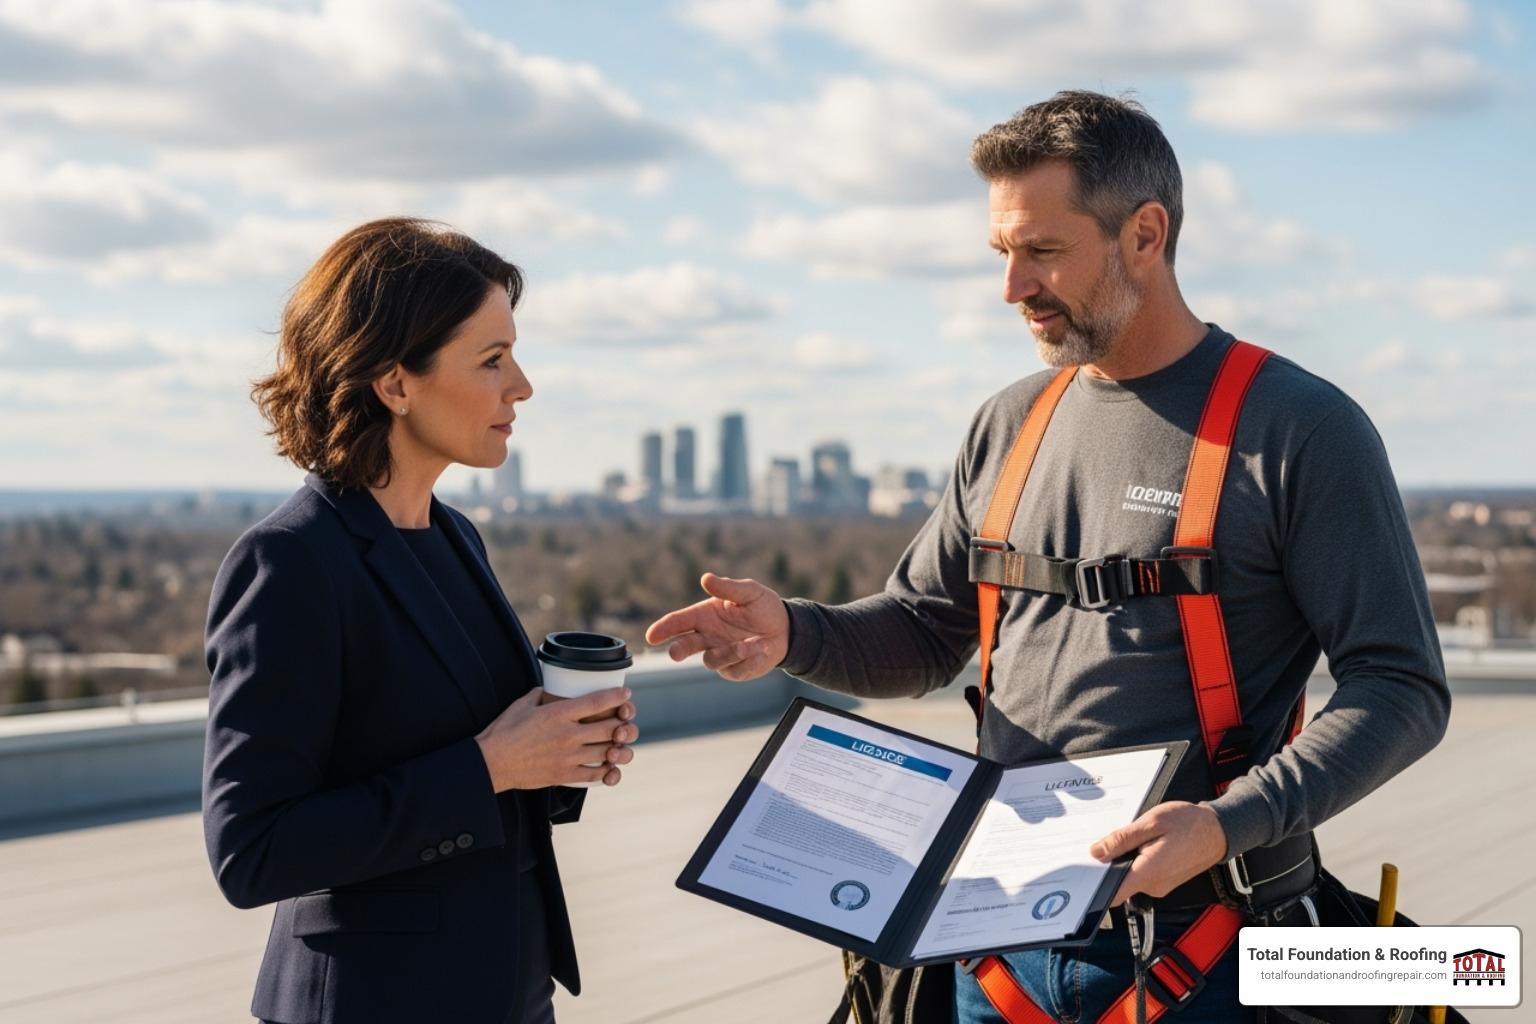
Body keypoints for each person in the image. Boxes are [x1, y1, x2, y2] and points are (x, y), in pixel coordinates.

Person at [646, 92, 1449, 1023]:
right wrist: (793, 633)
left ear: (1144, 235)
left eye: (1044, 251)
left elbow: (1401, 685)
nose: (1013, 286)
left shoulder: (1298, 430)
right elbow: (926, 631)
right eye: (1003, 252)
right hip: (991, 950)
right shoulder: (1010, 423)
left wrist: (1228, 823)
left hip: (1210, 952)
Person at [202, 218, 638, 1024]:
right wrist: (489, 767)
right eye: (492, 359)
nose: (522, 386)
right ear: (395, 384)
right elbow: (252, 851)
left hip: (509, 993)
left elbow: (471, 768)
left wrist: (558, 752)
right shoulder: (290, 561)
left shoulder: (454, 535)